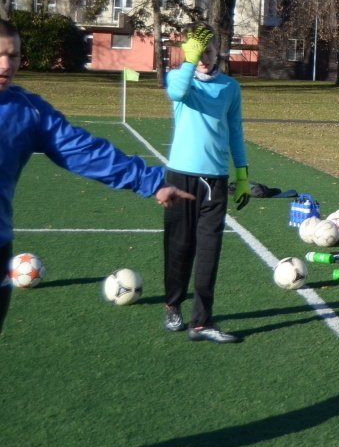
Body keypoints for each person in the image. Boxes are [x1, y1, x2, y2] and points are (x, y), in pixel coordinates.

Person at [0, 18, 193, 335]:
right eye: (0, 55)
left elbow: (83, 151)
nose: (7, 65)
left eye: (14, 55)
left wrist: (151, 182)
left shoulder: (29, 112)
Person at [162, 22, 250, 344]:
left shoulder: (230, 87)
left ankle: (201, 322)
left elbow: (235, 130)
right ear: (188, 52)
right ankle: (172, 304)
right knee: (179, 248)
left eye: (208, 51)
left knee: (209, 252)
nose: (203, 58)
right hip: (180, 178)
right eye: (197, 52)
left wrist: (242, 174)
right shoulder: (178, 78)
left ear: (218, 51)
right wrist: (189, 58)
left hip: (215, 180)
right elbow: (177, 92)